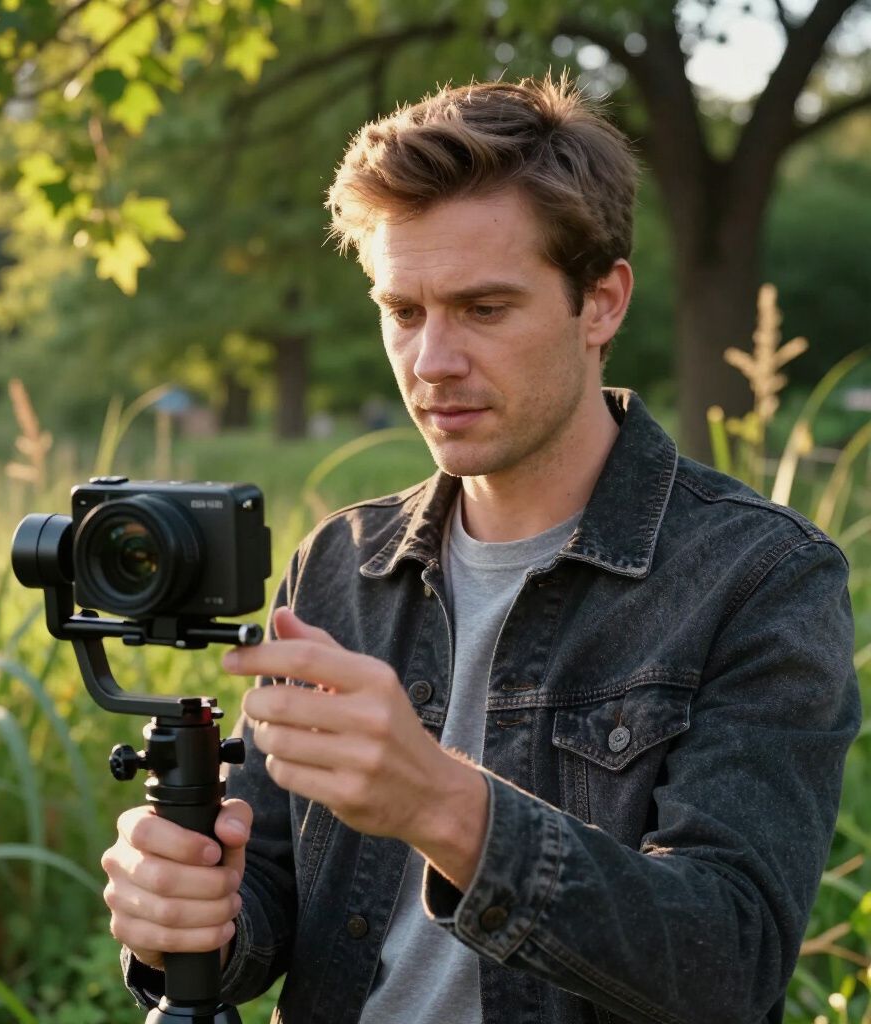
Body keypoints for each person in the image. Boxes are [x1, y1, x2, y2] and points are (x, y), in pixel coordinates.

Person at [101, 74, 861, 1023]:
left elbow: (730, 964)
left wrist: (441, 806)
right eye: (404, 311)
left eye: (485, 309)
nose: (433, 363)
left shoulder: (761, 577)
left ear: (602, 303)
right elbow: (271, 908)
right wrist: (186, 909)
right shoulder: (337, 565)